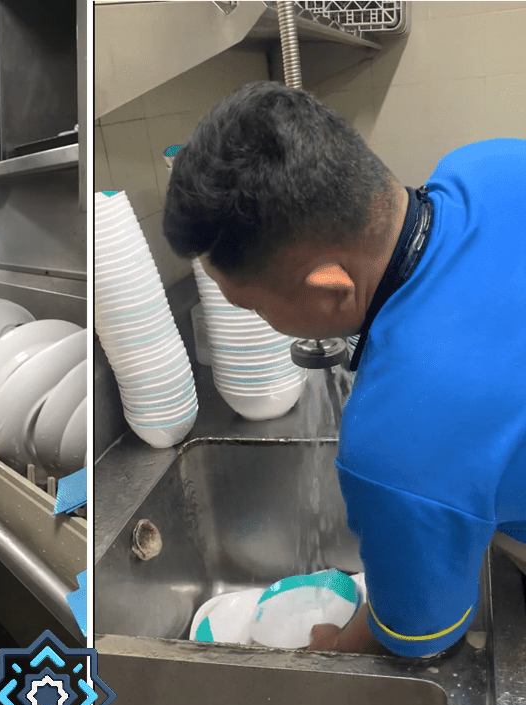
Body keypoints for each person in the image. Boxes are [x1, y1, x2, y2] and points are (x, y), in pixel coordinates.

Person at [163, 80, 526, 659]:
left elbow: (420, 632)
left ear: (329, 289)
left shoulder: (400, 441)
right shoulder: (490, 162)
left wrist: (330, 645)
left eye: (251, 306)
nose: (257, 320)